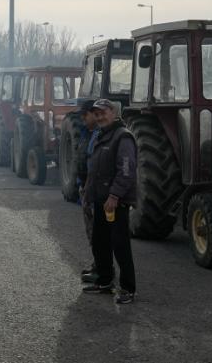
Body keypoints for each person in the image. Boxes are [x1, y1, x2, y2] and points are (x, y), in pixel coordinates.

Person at [82, 99, 137, 305]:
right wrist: (88, 196)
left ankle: (128, 289)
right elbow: (94, 170)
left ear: (113, 112)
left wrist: (114, 196)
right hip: (100, 200)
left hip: (116, 202)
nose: (99, 117)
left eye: (103, 113)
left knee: (120, 245)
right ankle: (105, 282)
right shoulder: (101, 136)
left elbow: (126, 171)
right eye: (96, 114)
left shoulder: (123, 137)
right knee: (100, 242)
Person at [74, 99, 100, 283]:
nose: (82, 118)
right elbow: (80, 159)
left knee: (99, 232)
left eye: (85, 114)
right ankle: (97, 263)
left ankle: (102, 268)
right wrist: (79, 184)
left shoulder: (100, 135)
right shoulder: (85, 133)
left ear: (94, 114)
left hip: (96, 192)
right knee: (91, 232)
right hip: (86, 190)